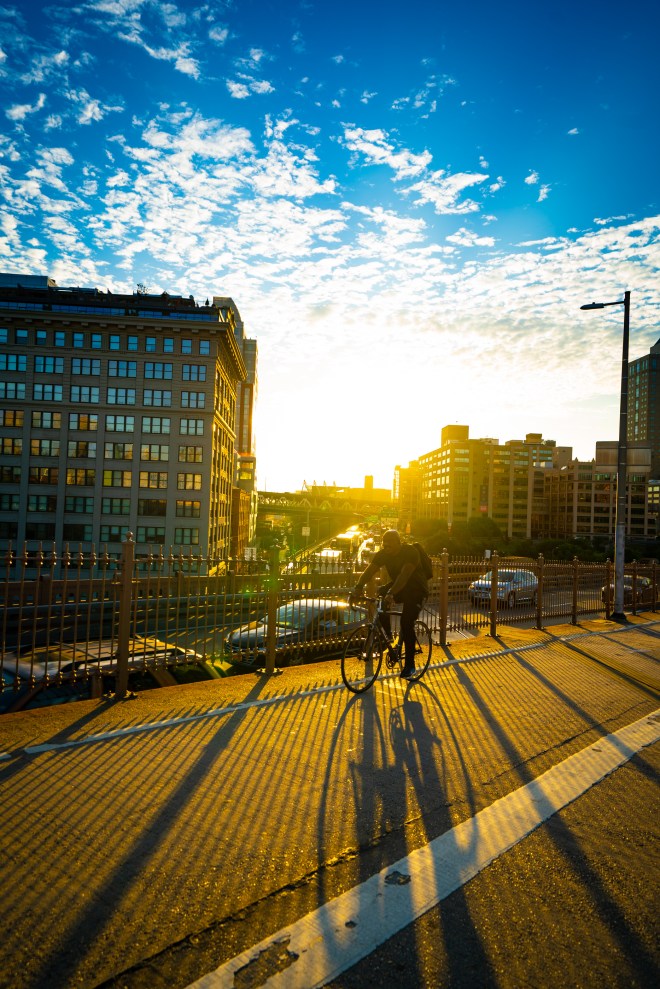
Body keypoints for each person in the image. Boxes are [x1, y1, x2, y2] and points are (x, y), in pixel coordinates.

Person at [349, 529, 428, 679]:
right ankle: (389, 639)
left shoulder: (410, 552)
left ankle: (410, 665)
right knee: (381, 596)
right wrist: (358, 587)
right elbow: (370, 570)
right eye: (384, 544)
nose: (386, 547)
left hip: (416, 590)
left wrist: (391, 594)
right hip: (399, 587)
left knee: (406, 622)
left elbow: (404, 575)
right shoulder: (384, 553)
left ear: (399, 542)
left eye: (390, 544)